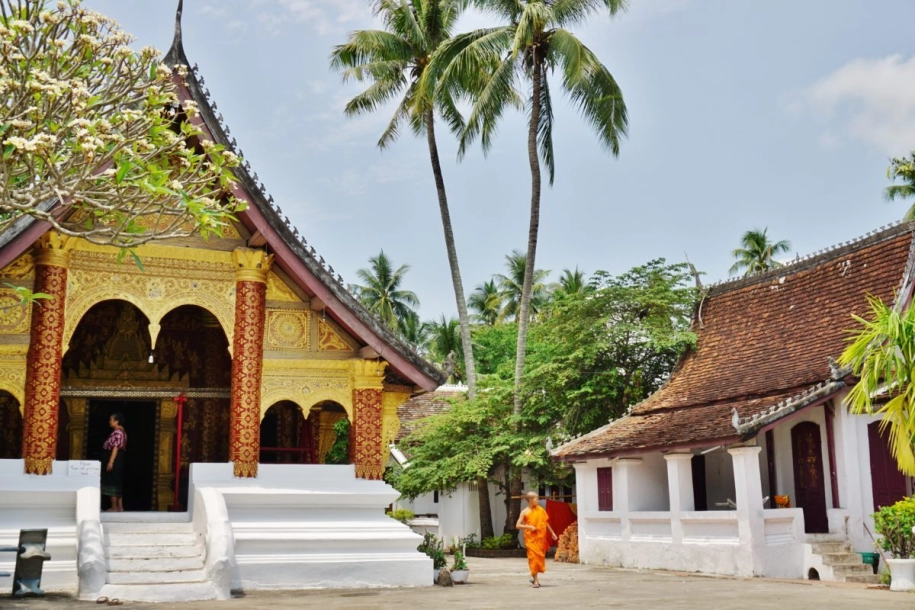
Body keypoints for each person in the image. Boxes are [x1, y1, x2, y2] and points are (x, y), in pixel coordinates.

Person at [516, 491, 557, 588]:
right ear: (531, 500)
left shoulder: (540, 510)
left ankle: (534, 576)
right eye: (537, 499)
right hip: (531, 539)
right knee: (533, 558)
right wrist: (529, 527)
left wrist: (552, 533)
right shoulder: (524, 512)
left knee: (539, 559)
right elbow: (517, 525)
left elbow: (545, 522)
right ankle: (536, 581)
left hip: (540, 538)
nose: (538, 500)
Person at [101, 412, 127, 512]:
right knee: (116, 481)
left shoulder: (118, 432)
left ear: (117, 421)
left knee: (112, 481)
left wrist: (111, 461)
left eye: (111, 420)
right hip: (118, 459)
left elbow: (115, 448)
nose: (109, 421)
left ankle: (114, 507)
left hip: (115, 459)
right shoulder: (121, 431)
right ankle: (119, 506)